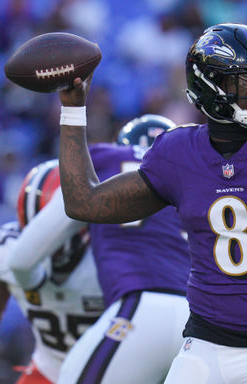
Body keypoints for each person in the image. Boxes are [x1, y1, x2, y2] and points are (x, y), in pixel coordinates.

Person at [56, 23, 247, 383]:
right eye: (246, 82)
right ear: (211, 88)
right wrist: (73, 111)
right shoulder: (177, 153)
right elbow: (84, 203)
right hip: (206, 347)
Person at [56, 115, 191, 384]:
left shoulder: (107, 158)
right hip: (201, 322)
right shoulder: (195, 176)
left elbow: (26, 253)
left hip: (141, 306)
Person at [0, 160, 104, 384]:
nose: (42, 247)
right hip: (50, 369)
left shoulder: (108, 254)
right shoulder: (7, 249)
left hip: (110, 370)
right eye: (34, 235)